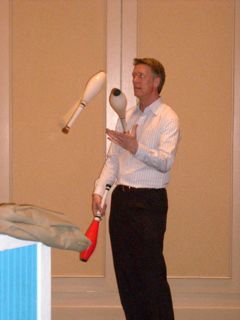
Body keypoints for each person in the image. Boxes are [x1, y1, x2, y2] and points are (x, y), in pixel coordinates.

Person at [92, 58, 180, 320]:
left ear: (157, 81)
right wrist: (100, 191)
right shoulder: (127, 116)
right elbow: (113, 161)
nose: (135, 80)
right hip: (122, 201)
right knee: (127, 277)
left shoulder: (168, 118)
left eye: (141, 75)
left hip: (149, 203)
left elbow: (166, 162)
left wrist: (135, 148)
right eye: (134, 75)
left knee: (151, 277)